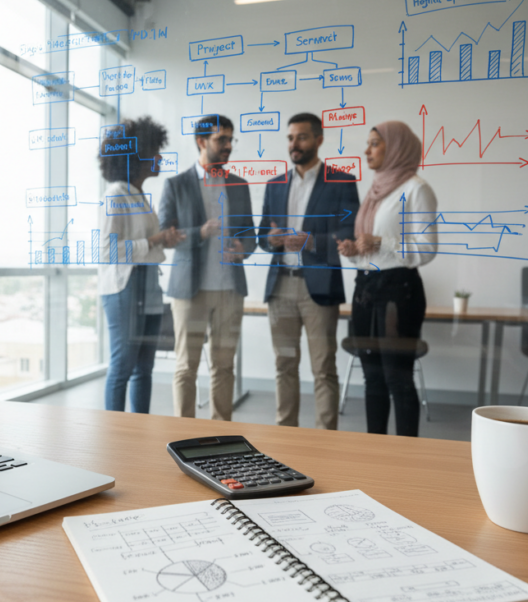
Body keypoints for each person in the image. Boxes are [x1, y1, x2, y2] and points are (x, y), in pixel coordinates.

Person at [258, 113, 359, 430]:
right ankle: (286, 434)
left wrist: (311, 241)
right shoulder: (275, 186)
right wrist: (271, 240)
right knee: (284, 365)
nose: (294, 144)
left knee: (323, 368)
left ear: (319, 139)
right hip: (280, 287)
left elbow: (349, 233)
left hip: (319, 288)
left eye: (301, 137)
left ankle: (325, 441)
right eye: (290, 138)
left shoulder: (341, 181)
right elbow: (262, 235)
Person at [337, 121, 437, 437]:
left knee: (397, 377)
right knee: (372, 377)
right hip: (366, 287)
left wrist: (381, 242)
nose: (367, 150)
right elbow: (370, 248)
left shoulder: (416, 189)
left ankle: (406, 457)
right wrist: (353, 250)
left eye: (374, 143)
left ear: (395, 147)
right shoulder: (376, 191)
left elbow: (428, 249)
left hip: (398, 291)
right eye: (367, 144)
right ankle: (375, 450)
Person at [159, 115, 256, 421]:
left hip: (230, 289)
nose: (228, 146)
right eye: (221, 140)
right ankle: (183, 435)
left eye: (231, 140)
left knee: (225, 366)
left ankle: (221, 434)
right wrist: (199, 233)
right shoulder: (176, 185)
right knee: (186, 366)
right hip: (190, 290)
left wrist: (244, 248)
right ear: (201, 142)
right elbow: (166, 235)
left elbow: (250, 236)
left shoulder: (239, 186)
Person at [99, 117, 185, 413]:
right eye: (154, 151)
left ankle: (140, 430)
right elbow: (108, 251)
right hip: (125, 287)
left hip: (148, 284)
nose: (160, 157)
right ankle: (114, 434)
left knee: (144, 367)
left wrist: (164, 240)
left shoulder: (138, 196)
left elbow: (146, 242)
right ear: (136, 156)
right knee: (123, 366)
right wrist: (153, 240)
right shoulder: (115, 195)